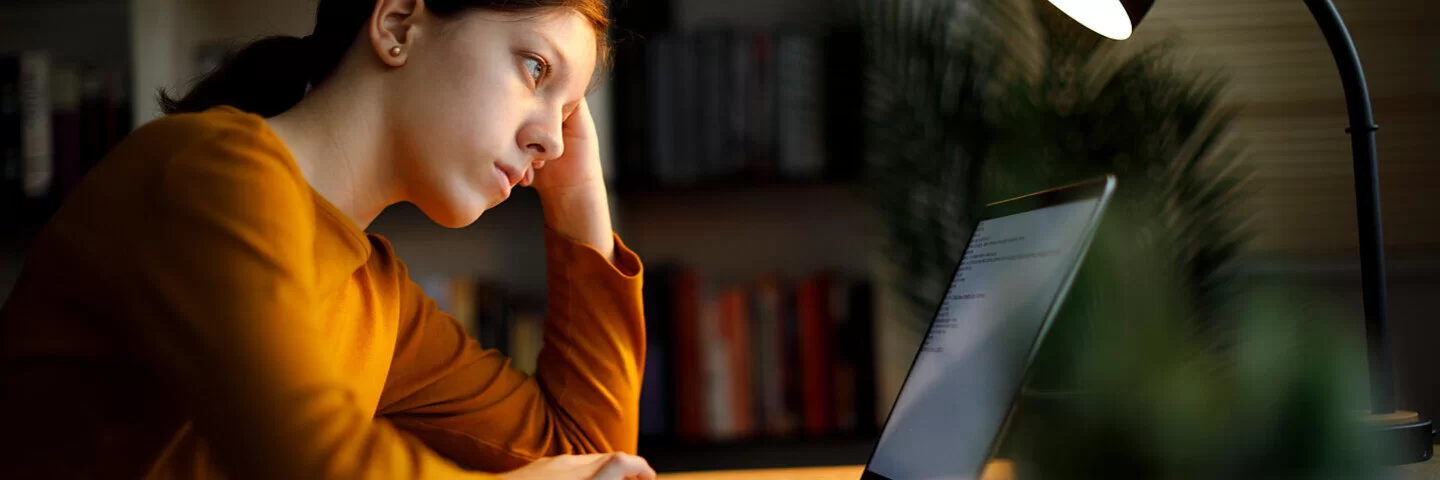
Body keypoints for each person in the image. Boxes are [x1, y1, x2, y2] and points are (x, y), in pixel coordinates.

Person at [0, 0, 655, 478]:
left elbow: (586, 452)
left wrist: (577, 196)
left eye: (569, 114)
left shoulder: (374, 292)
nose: (554, 139)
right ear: (398, 25)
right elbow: (313, 462)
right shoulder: (206, 172)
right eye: (536, 68)